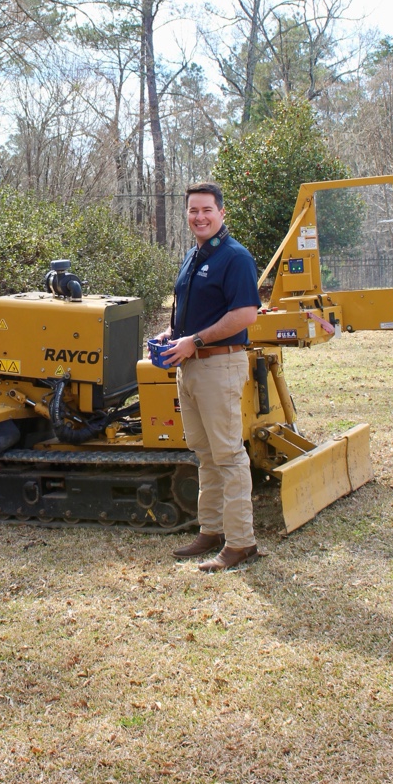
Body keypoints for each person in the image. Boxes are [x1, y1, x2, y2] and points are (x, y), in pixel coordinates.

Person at [158, 182, 262, 572]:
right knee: (205, 455)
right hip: (191, 366)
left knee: (229, 455)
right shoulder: (193, 255)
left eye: (206, 210)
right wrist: (172, 335)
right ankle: (211, 530)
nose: (199, 217)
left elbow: (245, 315)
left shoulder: (235, 258)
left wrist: (196, 340)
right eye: (192, 211)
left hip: (219, 365)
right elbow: (194, 312)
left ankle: (240, 542)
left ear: (221, 213)